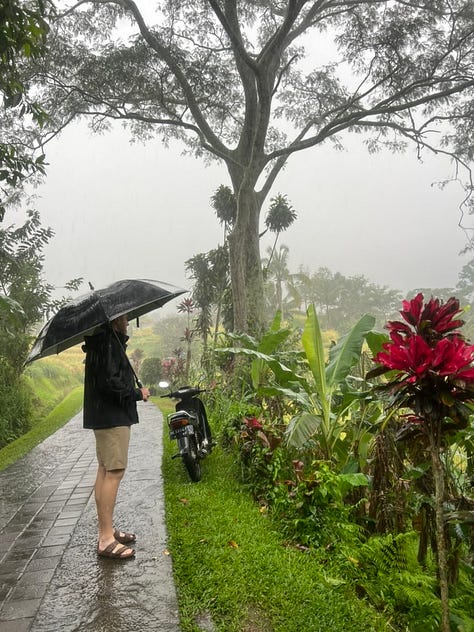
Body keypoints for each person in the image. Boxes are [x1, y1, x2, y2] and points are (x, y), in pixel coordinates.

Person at [82, 314, 150, 559]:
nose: (127, 320)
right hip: (112, 418)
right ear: (114, 319)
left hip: (103, 417)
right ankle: (105, 539)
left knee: (105, 470)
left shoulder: (104, 342)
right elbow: (111, 383)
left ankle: (107, 530)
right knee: (114, 471)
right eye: (123, 317)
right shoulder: (109, 344)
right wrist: (138, 394)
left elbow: (109, 379)